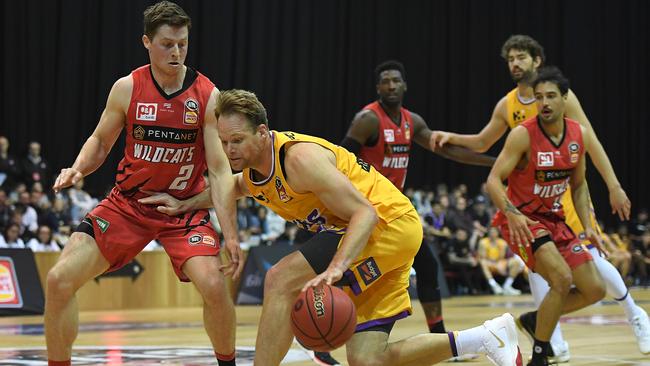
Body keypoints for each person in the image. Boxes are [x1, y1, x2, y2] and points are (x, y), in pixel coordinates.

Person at [217, 89, 523, 366]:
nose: (229, 150)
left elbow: (364, 213)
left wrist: (339, 267)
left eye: (237, 141)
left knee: (280, 279)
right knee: (367, 358)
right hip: (379, 233)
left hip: (386, 225)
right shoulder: (255, 174)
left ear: (261, 133)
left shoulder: (298, 159)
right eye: (224, 143)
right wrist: (182, 202)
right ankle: (487, 337)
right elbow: (224, 188)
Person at [44, 2, 241, 366]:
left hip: (181, 210)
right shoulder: (127, 87)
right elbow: (101, 142)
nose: (177, 52)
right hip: (128, 206)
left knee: (215, 286)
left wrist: (230, 234)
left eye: (183, 43)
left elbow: (218, 169)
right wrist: (78, 169)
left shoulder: (207, 95)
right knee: (58, 280)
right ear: (147, 42)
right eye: (168, 44)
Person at [432, 34, 650, 360]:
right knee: (546, 273)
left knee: (591, 263)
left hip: (560, 198)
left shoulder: (563, 99)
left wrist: (613, 185)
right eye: (511, 59)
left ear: (538, 60)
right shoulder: (510, 108)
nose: (515, 64)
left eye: (522, 57)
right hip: (525, 203)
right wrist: (451, 137)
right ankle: (549, 339)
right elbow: (481, 143)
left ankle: (634, 313)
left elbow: (588, 142)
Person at [331, 60, 495, 364]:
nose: (391, 86)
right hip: (366, 211)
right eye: (385, 82)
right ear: (377, 88)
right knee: (347, 275)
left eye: (396, 81)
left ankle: (441, 340)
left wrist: (494, 163)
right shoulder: (368, 120)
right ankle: (323, 343)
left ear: (405, 85)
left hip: (395, 211)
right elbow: (340, 160)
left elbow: (444, 149)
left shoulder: (412, 121)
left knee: (428, 266)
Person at [486, 66, 607, 366]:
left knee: (595, 289)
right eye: (539, 97)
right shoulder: (522, 135)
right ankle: (539, 356)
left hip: (554, 219)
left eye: (551, 96)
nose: (545, 103)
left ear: (566, 99)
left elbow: (579, 186)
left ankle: (532, 321)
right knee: (562, 279)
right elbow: (493, 181)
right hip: (522, 220)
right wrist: (511, 213)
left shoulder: (579, 135)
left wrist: (588, 226)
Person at [478, 227, 525, 295]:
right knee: (483, 262)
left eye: (494, 232)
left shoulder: (502, 242)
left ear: (497, 233)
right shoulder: (483, 242)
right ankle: (494, 285)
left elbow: (501, 256)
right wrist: (493, 262)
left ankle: (507, 286)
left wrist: (498, 263)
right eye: (491, 232)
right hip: (488, 262)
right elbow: (483, 256)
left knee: (516, 262)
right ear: (488, 233)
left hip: (499, 262)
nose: (492, 234)